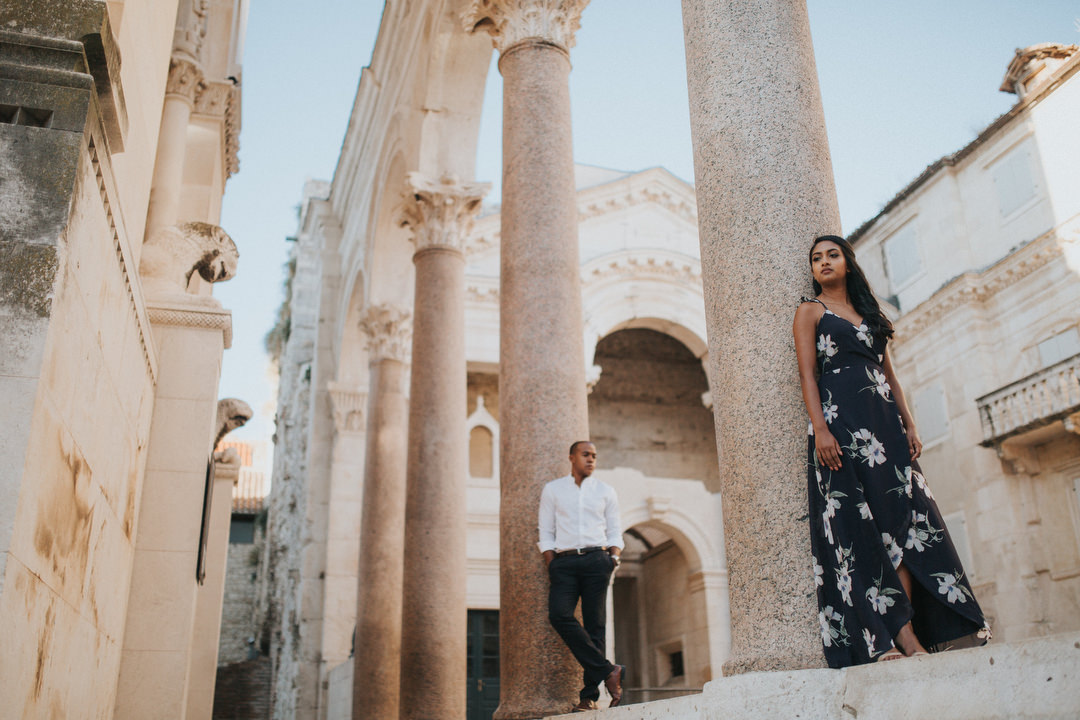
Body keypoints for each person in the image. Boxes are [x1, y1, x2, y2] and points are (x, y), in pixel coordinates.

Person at [792, 235, 991, 666]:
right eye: (816, 258)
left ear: (848, 262)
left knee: (904, 527)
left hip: (886, 431)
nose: (823, 262)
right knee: (859, 531)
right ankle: (890, 640)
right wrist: (821, 430)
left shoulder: (872, 316)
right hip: (842, 429)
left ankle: (909, 634)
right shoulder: (811, 311)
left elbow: (890, 376)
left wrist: (910, 423)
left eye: (832, 255)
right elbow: (808, 375)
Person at [538, 440, 627, 711]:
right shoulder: (553, 490)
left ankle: (588, 698)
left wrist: (613, 558)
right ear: (572, 457)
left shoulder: (605, 491)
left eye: (594, 456)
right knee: (559, 615)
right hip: (564, 563)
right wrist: (552, 563)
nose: (591, 460)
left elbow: (615, 530)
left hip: (597, 560)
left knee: (595, 627)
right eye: (585, 454)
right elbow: (546, 531)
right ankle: (609, 670)